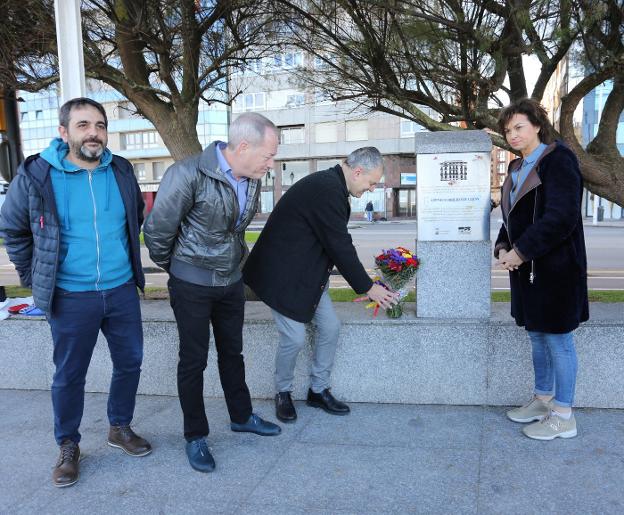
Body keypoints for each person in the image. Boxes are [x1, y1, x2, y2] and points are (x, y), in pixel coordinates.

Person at [0, 97, 151, 488]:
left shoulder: (120, 169)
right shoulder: (37, 174)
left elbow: (135, 216)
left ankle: (120, 427)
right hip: (70, 295)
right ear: (64, 132)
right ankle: (68, 445)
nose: (94, 133)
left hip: (119, 289)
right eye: (83, 125)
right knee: (69, 375)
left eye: (100, 125)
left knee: (131, 362)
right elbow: (14, 229)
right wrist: (33, 276)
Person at [143, 112, 282, 474]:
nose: (272, 162)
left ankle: (241, 416)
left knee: (232, 353)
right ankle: (195, 436)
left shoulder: (252, 178)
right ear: (244, 146)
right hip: (192, 284)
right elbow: (157, 232)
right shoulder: (187, 174)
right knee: (193, 361)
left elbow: (235, 231)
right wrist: (181, 270)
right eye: (269, 154)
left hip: (230, 281)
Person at [243, 147, 399, 423]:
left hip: (309, 277)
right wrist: (367, 287)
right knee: (294, 338)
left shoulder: (333, 186)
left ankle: (318, 390)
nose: (373, 189)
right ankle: (283, 393)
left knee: (330, 327)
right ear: (358, 171)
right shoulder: (326, 189)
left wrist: (367, 284)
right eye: (372, 182)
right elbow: (339, 245)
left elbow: (332, 242)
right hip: (282, 278)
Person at [494, 98, 589, 440]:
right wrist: (504, 245)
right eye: (507, 130)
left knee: (559, 340)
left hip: (557, 270)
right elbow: (512, 217)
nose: (512, 135)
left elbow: (561, 217)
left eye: (518, 127)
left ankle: (564, 415)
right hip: (527, 269)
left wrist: (520, 251)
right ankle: (543, 399)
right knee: (536, 335)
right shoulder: (516, 169)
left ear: (536, 125)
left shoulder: (558, 160)